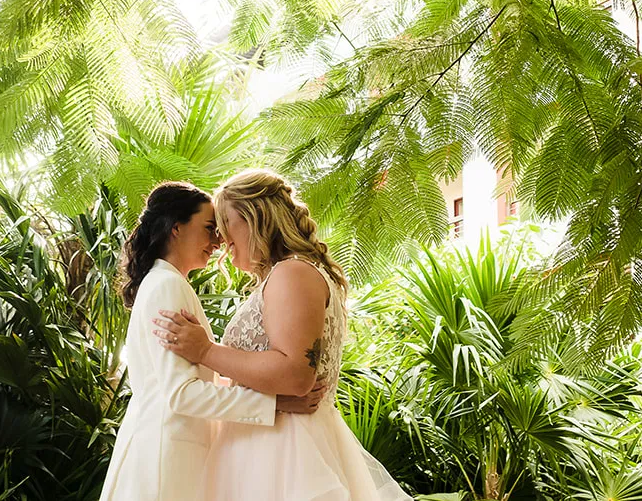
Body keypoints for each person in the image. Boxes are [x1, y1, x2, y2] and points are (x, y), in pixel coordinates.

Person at [153, 169, 412, 501]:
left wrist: (206, 351)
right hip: (270, 439)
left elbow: (295, 374)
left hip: (283, 451)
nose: (220, 237)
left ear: (257, 217)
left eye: (226, 222)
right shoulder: (291, 273)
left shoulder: (292, 272)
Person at [99, 181, 320, 501]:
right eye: (209, 228)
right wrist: (275, 404)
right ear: (176, 228)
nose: (218, 241)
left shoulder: (166, 282)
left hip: (167, 453)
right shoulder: (166, 285)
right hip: (163, 459)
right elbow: (182, 394)